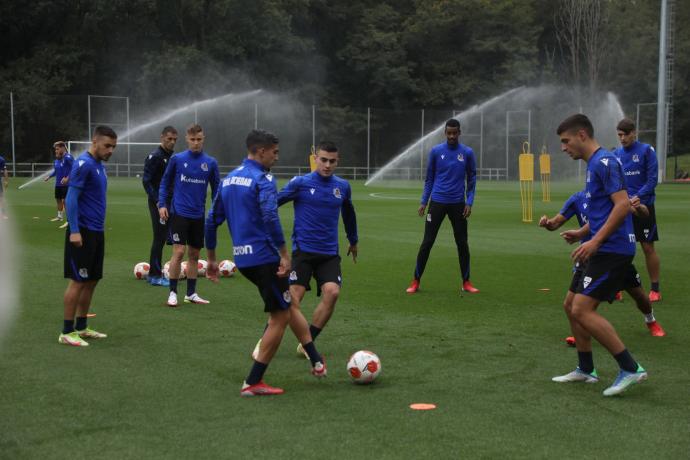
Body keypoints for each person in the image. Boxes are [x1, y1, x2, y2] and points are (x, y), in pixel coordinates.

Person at [205, 129, 326, 396]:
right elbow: (270, 217)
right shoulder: (263, 179)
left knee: (289, 303)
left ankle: (316, 359)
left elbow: (211, 221)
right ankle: (253, 381)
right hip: (265, 257)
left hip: (244, 258)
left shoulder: (228, 180)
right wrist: (284, 254)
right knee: (279, 317)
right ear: (261, 151)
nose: (276, 157)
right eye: (274, 152)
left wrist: (212, 259)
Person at [551, 114, 648, 396]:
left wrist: (595, 242)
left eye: (565, 141)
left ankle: (630, 368)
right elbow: (604, 211)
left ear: (582, 135)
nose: (563, 147)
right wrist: (582, 235)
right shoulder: (594, 164)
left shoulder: (604, 162)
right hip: (600, 245)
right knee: (570, 305)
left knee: (582, 308)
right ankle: (585, 369)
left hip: (613, 248)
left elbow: (622, 206)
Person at [540, 191, 666, 347]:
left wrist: (639, 207)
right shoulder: (577, 199)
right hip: (588, 256)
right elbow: (555, 223)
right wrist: (547, 224)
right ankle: (581, 336)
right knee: (572, 303)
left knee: (640, 297)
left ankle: (650, 320)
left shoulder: (615, 195)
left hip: (614, 254)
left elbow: (643, 213)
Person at [268, 141, 358, 359]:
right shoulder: (300, 183)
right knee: (291, 298)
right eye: (323, 160)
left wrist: (353, 240)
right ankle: (264, 342)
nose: (327, 165)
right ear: (315, 158)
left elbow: (348, 213)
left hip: (328, 254)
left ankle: (307, 342)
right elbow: (273, 203)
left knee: (333, 292)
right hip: (303, 252)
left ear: (338, 161)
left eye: (332, 161)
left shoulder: (342, 187)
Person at [59, 126, 117, 347]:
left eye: (113, 147)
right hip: (81, 231)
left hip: (96, 231)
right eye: (107, 146)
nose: (110, 150)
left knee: (92, 280)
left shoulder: (99, 166)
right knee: (77, 281)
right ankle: (66, 331)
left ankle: (81, 327)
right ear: (95, 142)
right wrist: (74, 230)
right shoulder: (83, 164)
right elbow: (72, 198)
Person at [406, 118, 478, 294]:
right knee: (427, 242)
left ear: (459, 133)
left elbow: (472, 179)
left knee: (462, 243)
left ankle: (466, 282)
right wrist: (424, 201)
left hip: (458, 204)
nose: (452, 136)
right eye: (449, 133)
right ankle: (415, 280)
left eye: (455, 133)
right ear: (445, 133)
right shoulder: (436, 152)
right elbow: (429, 178)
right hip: (437, 202)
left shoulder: (467, 153)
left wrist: (469, 201)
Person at [158, 124, 219, 307]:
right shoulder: (177, 159)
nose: (195, 143)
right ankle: (173, 293)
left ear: (203, 139)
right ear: (187, 139)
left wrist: (216, 210)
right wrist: (162, 204)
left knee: (194, 254)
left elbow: (217, 190)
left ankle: (191, 293)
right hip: (179, 214)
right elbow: (164, 183)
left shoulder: (211, 163)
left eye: (199, 139)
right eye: (192, 140)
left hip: (198, 215)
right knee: (178, 252)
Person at [613, 118, 662, 302]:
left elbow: (652, 180)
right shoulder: (616, 154)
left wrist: (637, 197)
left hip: (643, 206)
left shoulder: (646, 151)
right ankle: (617, 286)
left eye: (626, 134)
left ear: (634, 132)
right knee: (619, 247)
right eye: (619, 135)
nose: (623, 138)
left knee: (647, 247)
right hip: (623, 207)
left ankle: (655, 288)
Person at [142, 126, 178, 287]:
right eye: (169, 138)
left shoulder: (172, 157)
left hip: (170, 203)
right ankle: (155, 275)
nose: (172, 142)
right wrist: (158, 201)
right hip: (159, 204)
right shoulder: (155, 157)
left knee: (164, 237)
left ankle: (156, 272)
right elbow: (146, 181)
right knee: (159, 238)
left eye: (175, 139)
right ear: (162, 137)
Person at [44, 141, 74, 227]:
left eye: (57, 149)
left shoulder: (68, 157)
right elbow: (56, 171)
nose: (56, 151)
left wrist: (67, 178)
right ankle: (60, 216)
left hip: (66, 184)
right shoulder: (58, 160)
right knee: (58, 199)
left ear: (63, 148)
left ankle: (69, 221)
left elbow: (75, 168)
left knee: (66, 202)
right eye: (55, 149)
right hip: (58, 184)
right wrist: (49, 177)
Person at [0, 154, 7, 219]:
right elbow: (5, 171)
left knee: (1, 197)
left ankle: (3, 214)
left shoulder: (1, 159)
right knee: (1, 198)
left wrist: (5, 181)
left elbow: (4, 170)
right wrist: (6, 181)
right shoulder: (2, 159)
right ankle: (3, 214)